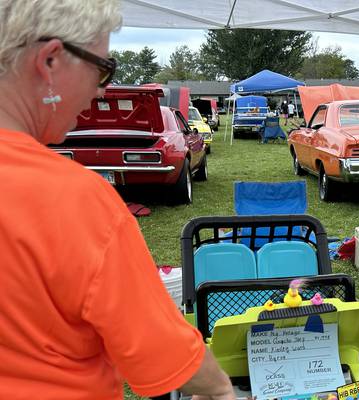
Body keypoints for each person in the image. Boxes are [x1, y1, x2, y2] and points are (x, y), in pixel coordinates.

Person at [0, 2, 235, 399]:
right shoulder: (72, 197)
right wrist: (220, 390)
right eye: (102, 68)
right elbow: (160, 348)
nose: (103, 90)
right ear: (51, 60)